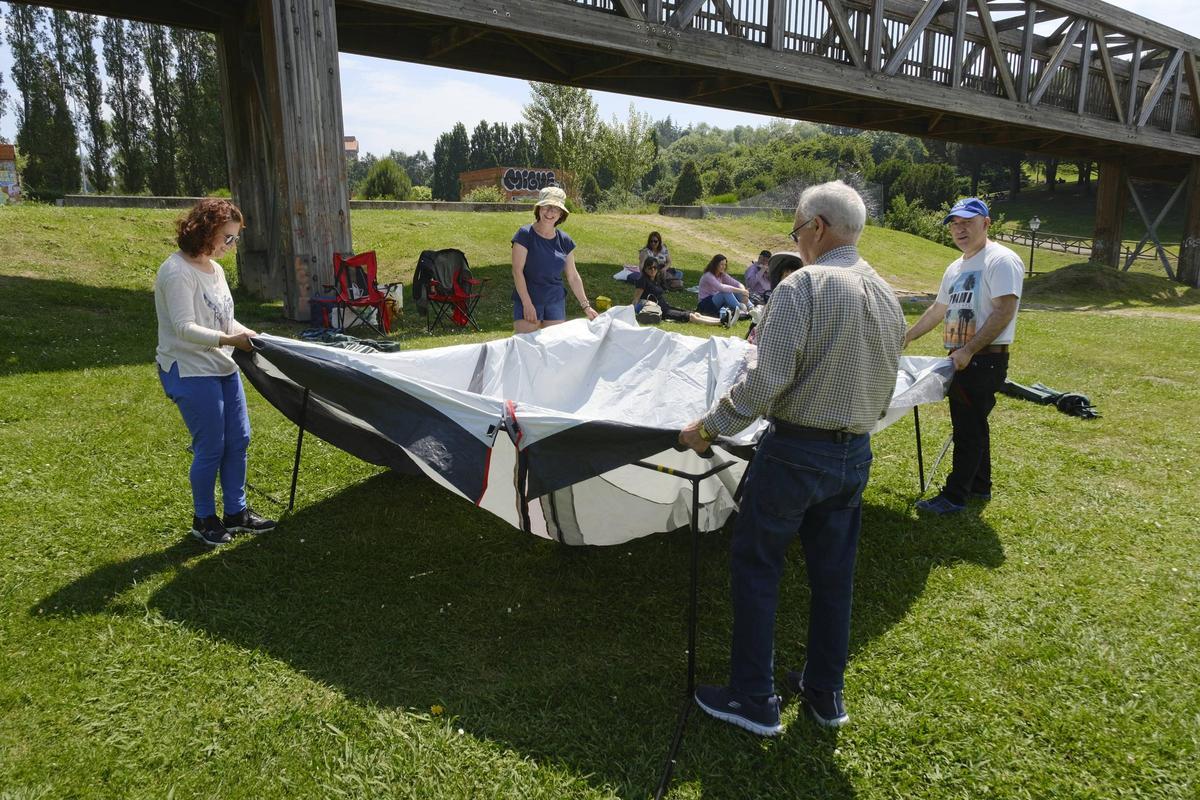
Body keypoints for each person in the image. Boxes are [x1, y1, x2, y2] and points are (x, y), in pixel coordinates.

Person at [679, 180, 905, 736]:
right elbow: (887, 382)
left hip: (795, 452)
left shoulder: (803, 286)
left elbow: (766, 381)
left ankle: (754, 698)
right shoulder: (885, 292)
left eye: (798, 230)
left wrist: (708, 428)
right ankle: (826, 693)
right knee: (835, 578)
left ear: (819, 228)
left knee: (757, 568)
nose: (797, 241)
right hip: (855, 454)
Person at [154, 198, 276, 547]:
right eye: (228, 237)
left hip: (222, 367)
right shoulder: (176, 271)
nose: (230, 246)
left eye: (234, 239)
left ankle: (236, 513)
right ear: (206, 230)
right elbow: (184, 328)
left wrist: (247, 334)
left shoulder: (216, 270)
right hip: (189, 370)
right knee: (211, 446)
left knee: (238, 440)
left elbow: (222, 318)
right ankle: (204, 518)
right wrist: (229, 339)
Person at [905, 197, 1023, 515]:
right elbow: (938, 309)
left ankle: (955, 496)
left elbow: (1005, 310)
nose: (960, 229)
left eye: (967, 223)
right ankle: (980, 486)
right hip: (961, 358)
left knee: (967, 428)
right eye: (954, 224)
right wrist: (909, 336)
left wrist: (970, 350)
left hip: (983, 358)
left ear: (986, 223)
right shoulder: (955, 267)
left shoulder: (1001, 260)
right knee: (973, 424)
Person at [512, 186, 599, 334]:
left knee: (554, 349)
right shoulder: (524, 234)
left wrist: (586, 306)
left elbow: (573, 276)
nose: (550, 212)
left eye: (556, 209)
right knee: (526, 349)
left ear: (561, 214)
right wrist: (527, 303)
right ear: (539, 209)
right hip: (529, 299)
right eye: (546, 207)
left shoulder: (565, 240)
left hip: (555, 302)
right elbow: (517, 271)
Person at [632, 258, 722, 326]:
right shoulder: (642, 281)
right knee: (691, 317)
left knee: (694, 313)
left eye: (655, 268)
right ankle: (720, 323)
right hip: (659, 311)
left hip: (666, 307)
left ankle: (721, 320)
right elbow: (636, 299)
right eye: (650, 268)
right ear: (645, 269)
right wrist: (630, 311)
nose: (653, 270)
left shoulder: (655, 280)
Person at [746, 251, 802, 345]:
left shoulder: (798, 296)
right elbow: (751, 284)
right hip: (758, 297)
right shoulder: (753, 269)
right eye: (786, 275)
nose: (788, 279)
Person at [697, 254, 751, 327]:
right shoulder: (708, 275)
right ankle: (742, 310)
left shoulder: (722, 275)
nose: (723, 267)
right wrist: (741, 291)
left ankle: (751, 308)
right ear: (715, 264)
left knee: (737, 291)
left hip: (715, 300)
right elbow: (721, 287)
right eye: (721, 264)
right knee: (726, 292)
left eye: (725, 265)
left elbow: (737, 284)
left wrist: (744, 292)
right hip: (705, 304)